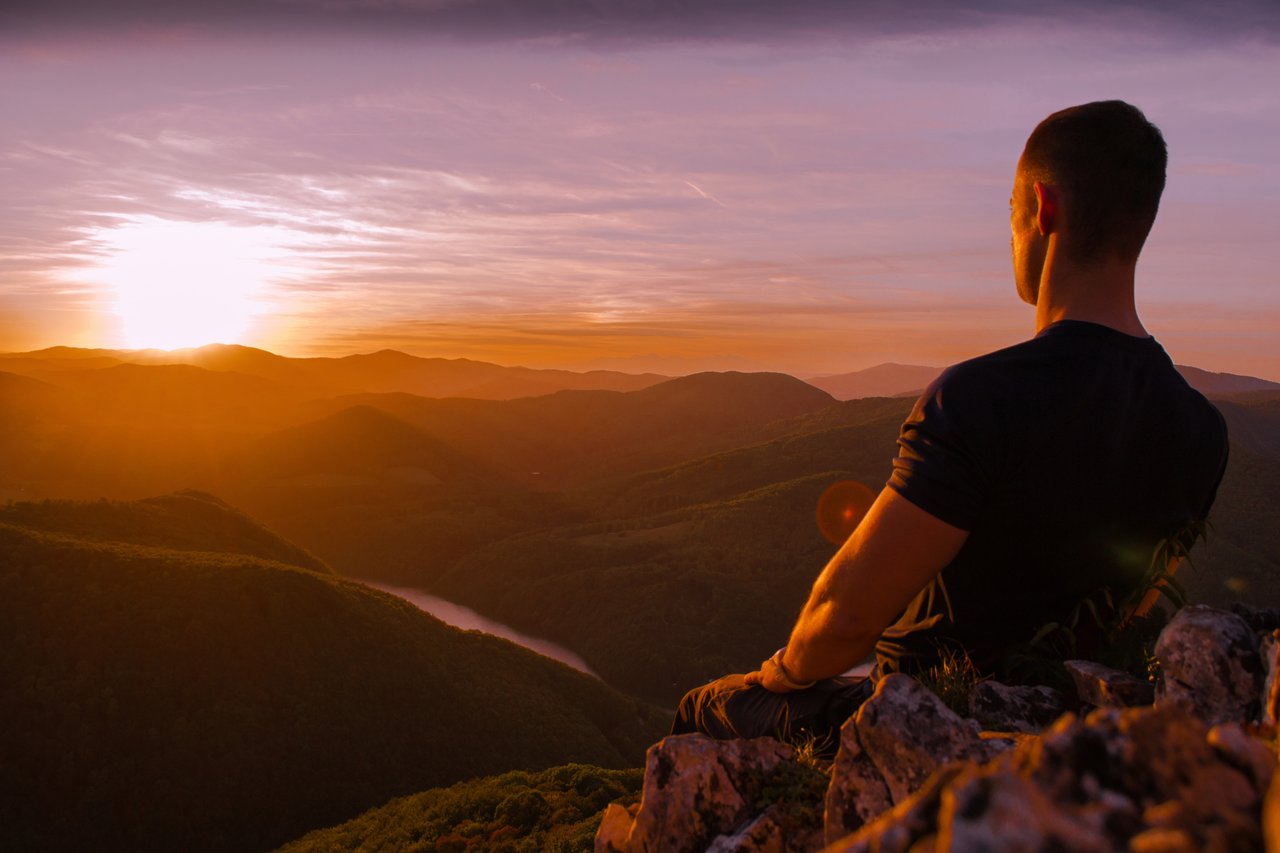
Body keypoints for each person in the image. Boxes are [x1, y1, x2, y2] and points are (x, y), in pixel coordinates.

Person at [671, 100, 1230, 745]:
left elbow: (848, 612)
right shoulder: (1202, 431)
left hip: (925, 718)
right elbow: (1124, 608)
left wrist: (782, 672)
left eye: (1013, 217)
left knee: (702, 708)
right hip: (1066, 720)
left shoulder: (981, 396)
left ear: (1044, 210)